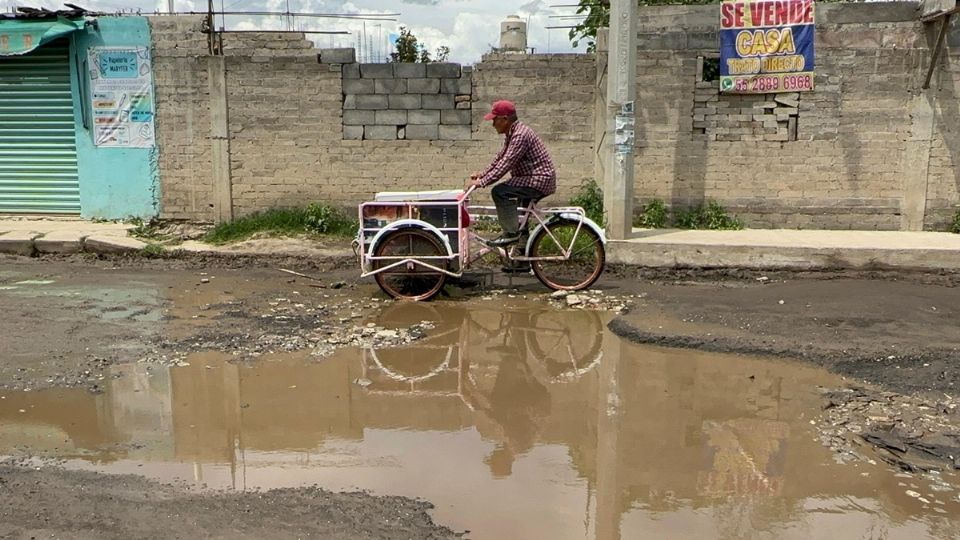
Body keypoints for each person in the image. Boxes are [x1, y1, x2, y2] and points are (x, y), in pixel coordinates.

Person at [468, 100, 557, 252]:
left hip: (538, 179)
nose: (493, 124)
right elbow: (500, 158)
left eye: (494, 119)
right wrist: (482, 174)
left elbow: (506, 164)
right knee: (521, 217)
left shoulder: (520, 135)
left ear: (505, 119)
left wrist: (482, 183)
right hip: (532, 179)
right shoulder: (513, 133)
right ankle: (522, 260)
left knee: (499, 191)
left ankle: (509, 234)